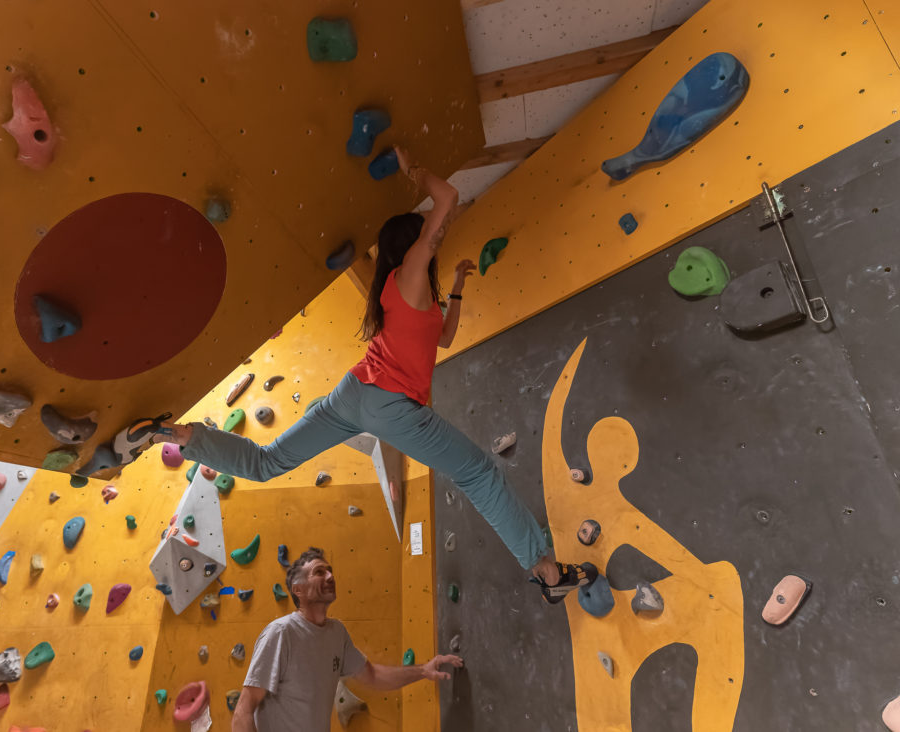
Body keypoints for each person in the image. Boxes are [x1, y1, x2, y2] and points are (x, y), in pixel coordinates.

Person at [134, 146, 594, 602]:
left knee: (268, 462)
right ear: (412, 245)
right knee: (478, 474)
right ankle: (548, 573)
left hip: (354, 395)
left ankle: (179, 434)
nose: (437, 238)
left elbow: (445, 339)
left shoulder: (411, 296)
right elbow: (448, 198)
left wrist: (457, 286)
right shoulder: (409, 273)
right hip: (391, 404)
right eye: (428, 238)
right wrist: (412, 167)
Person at [231, 548, 461, 731]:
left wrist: (422, 670)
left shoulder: (336, 633)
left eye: (330, 571)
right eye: (319, 572)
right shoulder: (281, 633)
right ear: (298, 589)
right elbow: (244, 708)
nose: (330, 576)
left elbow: (372, 675)